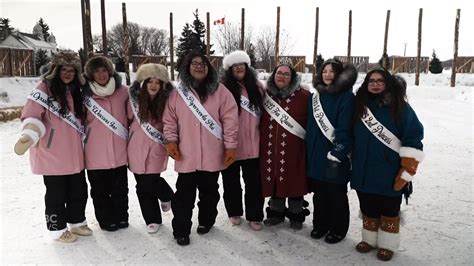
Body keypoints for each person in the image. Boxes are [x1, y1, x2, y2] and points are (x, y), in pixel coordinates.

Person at [13, 52, 92, 243]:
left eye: (71, 70)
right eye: (64, 69)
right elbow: (31, 115)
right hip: (52, 154)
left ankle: (77, 221)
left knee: (79, 191)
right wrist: (29, 134)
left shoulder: (76, 91)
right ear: (55, 70)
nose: (68, 73)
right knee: (56, 195)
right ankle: (57, 229)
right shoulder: (43, 89)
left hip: (75, 155)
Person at [163, 51, 238, 246]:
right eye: (194, 63)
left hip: (212, 155)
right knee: (183, 197)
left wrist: (230, 146)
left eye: (203, 64)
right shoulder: (177, 93)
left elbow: (230, 121)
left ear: (209, 68)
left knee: (210, 193)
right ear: (187, 67)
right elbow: (169, 120)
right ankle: (181, 230)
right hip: (186, 156)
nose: (199, 66)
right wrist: (171, 141)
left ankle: (206, 221)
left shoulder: (221, 92)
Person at [351, 68, 424, 261]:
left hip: (388, 169)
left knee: (389, 209)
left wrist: (407, 168)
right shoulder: (359, 106)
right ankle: (369, 240)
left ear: (388, 83)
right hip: (363, 169)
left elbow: (414, 137)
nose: (375, 84)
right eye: (371, 81)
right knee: (368, 206)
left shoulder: (400, 107)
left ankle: (387, 245)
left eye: (380, 81)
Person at [306, 59, 357, 244]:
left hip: (335, 155)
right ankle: (320, 224)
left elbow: (346, 129)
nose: (327, 74)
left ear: (339, 75)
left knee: (336, 194)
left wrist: (338, 152)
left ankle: (338, 228)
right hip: (315, 154)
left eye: (332, 71)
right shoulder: (315, 97)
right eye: (324, 71)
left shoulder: (346, 97)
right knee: (319, 194)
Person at [259, 62, 310, 230]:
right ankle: (276, 213)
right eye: (279, 73)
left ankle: (296, 215)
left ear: (292, 77)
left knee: (294, 179)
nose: (282, 76)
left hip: (295, 149)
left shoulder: (304, 97)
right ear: (274, 75)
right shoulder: (265, 95)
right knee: (274, 178)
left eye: (286, 74)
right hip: (269, 148)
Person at [82, 56, 130, 232]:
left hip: (119, 151)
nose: (101, 74)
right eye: (97, 71)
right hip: (95, 153)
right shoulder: (83, 94)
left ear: (110, 71)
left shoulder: (123, 91)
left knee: (120, 189)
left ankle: (122, 217)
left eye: (104, 70)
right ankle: (106, 219)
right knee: (100, 191)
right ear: (91, 74)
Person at [127, 63, 174, 234]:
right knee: (142, 184)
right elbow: (126, 120)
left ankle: (167, 196)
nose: (153, 85)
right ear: (143, 83)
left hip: (156, 147)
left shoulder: (168, 101)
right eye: (150, 81)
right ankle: (152, 219)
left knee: (151, 181)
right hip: (135, 148)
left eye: (157, 82)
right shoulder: (133, 102)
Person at [220, 50, 265, 231]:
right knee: (231, 183)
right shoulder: (222, 88)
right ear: (230, 70)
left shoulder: (258, 87)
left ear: (247, 67)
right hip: (230, 146)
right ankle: (234, 212)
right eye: (235, 66)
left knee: (254, 184)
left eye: (242, 65)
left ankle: (255, 215)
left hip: (253, 146)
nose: (239, 68)